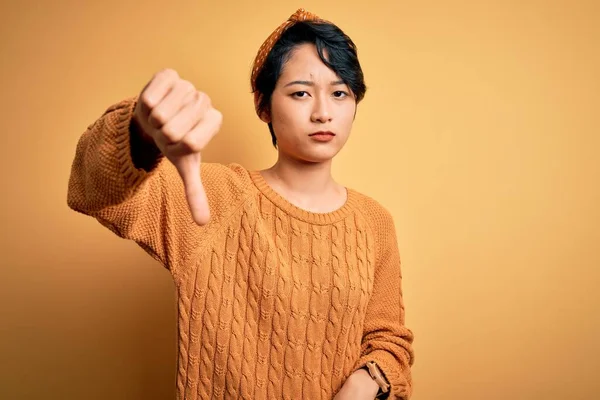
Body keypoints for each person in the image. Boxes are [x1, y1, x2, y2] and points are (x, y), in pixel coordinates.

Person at [67, 8, 414, 400]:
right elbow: (93, 190)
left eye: (339, 93)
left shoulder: (374, 221)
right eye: (300, 92)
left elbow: (389, 341)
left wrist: (363, 383)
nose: (323, 112)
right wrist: (140, 133)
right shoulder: (213, 195)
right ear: (263, 105)